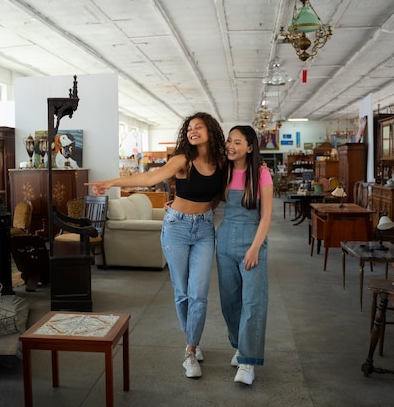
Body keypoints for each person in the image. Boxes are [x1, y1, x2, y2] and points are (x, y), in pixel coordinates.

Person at [87, 112, 225, 379]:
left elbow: (218, 194)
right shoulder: (182, 160)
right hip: (177, 228)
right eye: (189, 128)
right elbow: (148, 179)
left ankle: (190, 347)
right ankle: (192, 341)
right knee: (182, 292)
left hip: (205, 229)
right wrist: (112, 182)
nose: (193, 131)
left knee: (199, 294)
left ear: (211, 131)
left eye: (199, 127)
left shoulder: (220, 162)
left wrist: (259, 168)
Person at [216, 125, 273, 385]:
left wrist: (254, 248)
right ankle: (240, 347)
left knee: (252, 302)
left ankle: (248, 362)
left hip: (252, 240)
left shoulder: (261, 174)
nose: (231, 146)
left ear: (249, 147)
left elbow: (267, 215)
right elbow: (209, 201)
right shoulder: (224, 170)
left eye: (237, 142)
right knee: (229, 302)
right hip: (225, 239)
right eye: (229, 141)